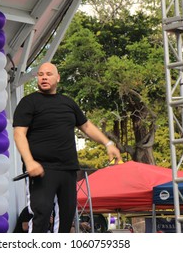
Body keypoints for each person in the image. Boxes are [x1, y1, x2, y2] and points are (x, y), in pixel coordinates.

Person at [12, 62, 122, 233]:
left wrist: (108, 144)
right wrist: (29, 161)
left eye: (48, 74)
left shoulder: (68, 103)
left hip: (68, 168)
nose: (44, 77)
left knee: (66, 216)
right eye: (40, 74)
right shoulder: (29, 102)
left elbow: (86, 126)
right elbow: (19, 134)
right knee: (42, 213)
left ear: (58, 78)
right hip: (41, 168)